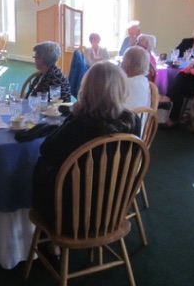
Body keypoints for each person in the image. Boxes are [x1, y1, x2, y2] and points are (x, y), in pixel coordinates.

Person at [32, 62, 141, 228]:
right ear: (122, 88)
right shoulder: (134, 120)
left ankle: (49, 247)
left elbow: (46, 151)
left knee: (40, 168)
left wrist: (72, 117)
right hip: (114, 207)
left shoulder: (81, 124)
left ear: (87, 90)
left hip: (73, 214)